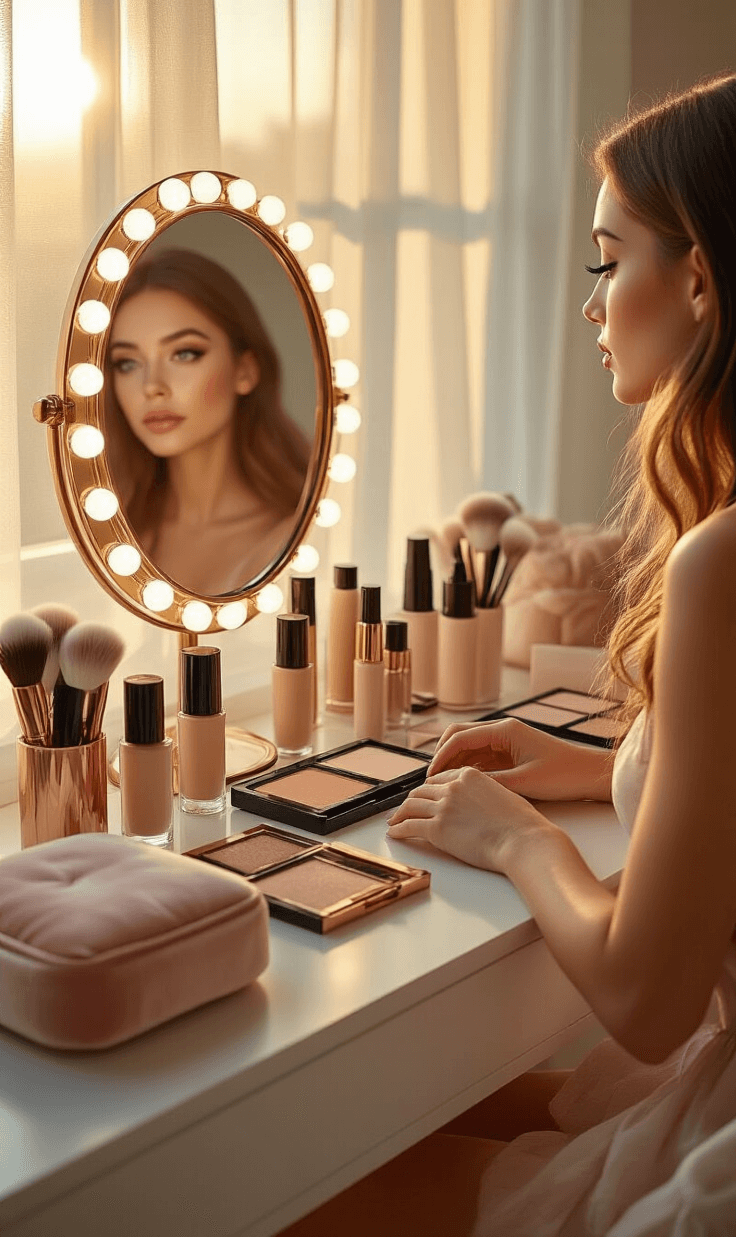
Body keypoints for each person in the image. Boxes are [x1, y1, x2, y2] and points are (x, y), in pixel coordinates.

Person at [281, 75, 736, 1235]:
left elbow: (643, 997)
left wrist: (518, 840)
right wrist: (607, 765)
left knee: (301, 1193)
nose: (591, 306)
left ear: (697, 278)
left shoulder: (719, 564)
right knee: (389, 1122)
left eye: (605, 260)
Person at [106, 247, 312, 595]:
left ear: (244, 371)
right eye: (127, 363)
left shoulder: (293, 542)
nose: (152, 386)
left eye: (185, 353)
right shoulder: (111, 537)